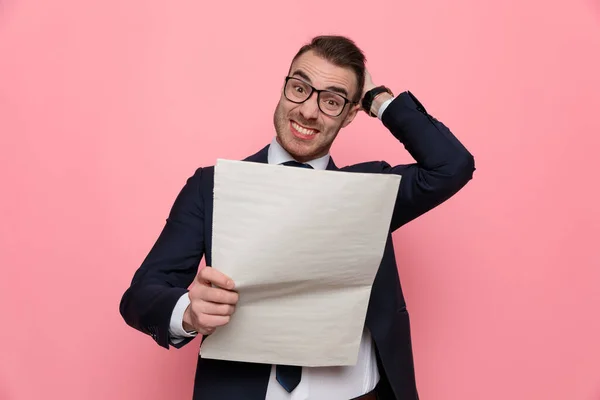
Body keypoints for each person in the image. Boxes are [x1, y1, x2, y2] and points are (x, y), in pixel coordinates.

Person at [119, 35, 475, 400]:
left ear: (352, 113)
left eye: (332, 101)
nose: (308, 111)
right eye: (300, 88)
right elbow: (141, 296)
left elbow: (452, 165)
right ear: (284, 87)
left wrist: (377, 98)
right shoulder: (212, 187)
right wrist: (189, 313)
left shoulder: (373, 191)